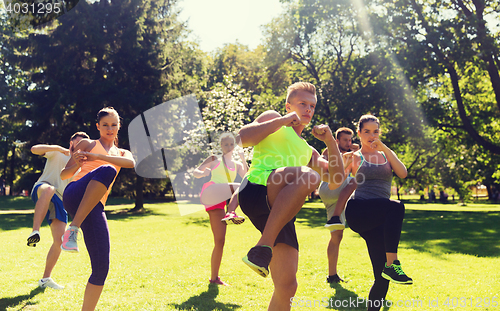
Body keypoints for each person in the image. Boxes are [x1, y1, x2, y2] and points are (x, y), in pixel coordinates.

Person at [237, 82, 345, 310]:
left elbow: (337, 179)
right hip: (258, 189)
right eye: (302, 104)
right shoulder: (274, 118)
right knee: (309, 176)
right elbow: (241, 139)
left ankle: (262, 251)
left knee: (287, 286)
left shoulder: (308, 150)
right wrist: (283, 121)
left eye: (312, 106)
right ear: (288, 106)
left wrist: (330, 141)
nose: (308, 109)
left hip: (280, 211)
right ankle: (264, 245)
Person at [60, 107, 135, 311]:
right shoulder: (88, 143)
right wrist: (76, 163)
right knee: (108, 169)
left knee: (101, 267)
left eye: (113, 125)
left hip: (95, 207)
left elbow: (131, 163)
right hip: (75, 193)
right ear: (98, 126)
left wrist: (100, 159)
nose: (109, 129)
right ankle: (72, 229)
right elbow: (64, 175)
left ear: (119, 126)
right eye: (105, 125)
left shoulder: (122, 153)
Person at [340, 114, 412, 311]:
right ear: (359, 134)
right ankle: (393, 263)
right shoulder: (355, 157)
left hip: (379, 218)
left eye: (375, 131)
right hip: (359, 211)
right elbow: (334, 181)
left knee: (382, 278)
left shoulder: (386, 155)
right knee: (396, 206)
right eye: (367, 132)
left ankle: (387, 271)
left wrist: (385, 149)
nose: (372, 136)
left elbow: (403, 173)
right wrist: (340, 162)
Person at [27, 132, 90, 290]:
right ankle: (35, 231)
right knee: (49, 189)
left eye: (84, 145)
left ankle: (45, 279)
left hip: (60, 201)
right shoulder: (58, 153)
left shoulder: (80, 167)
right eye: (78, 143)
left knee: (60, 240)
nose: (80, 147)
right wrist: (57, 147)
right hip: (43, 188)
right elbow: (34, 149)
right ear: (71, 143)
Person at [193, 132, 248, 286]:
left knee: (220, 241)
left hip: (219, 201)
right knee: (240, 186)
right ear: (221, 146)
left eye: (231, 144)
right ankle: (232, 211)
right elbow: (196, 172)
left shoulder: (236, 164)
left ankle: (214, 278)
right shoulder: (214, 159)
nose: (229, 147)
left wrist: (243, 159)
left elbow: (247, 176)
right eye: (226, 144)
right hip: (211, 191)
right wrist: (203, 173)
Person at [318, 127, 358, 284]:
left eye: (350, 140)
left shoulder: (351, 151)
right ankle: (336, 215)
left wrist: (352, 149)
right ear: (336, 141)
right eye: (345, 140)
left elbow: (356, 149)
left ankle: (332, 275)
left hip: (338, 195)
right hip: (329, 188)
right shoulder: (329, 151)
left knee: (337, 236)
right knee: (357, 179)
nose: (349, 143)